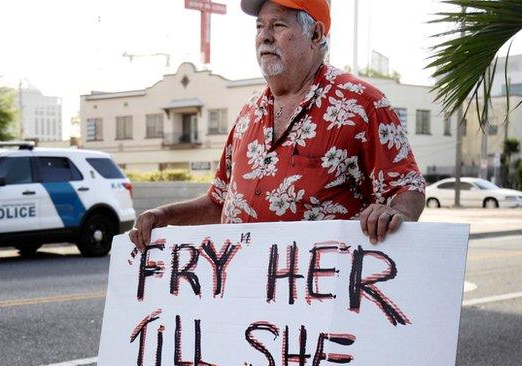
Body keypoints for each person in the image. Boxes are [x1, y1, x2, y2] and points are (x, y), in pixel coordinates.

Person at [130, 0, 426, 251]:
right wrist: (164, 215)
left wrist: (396, 211)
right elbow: (218, 202)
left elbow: (407, 187)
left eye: (279, 25)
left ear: (315, 33)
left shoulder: (363, 103)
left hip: (319, 297)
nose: (265, 37)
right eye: (260, 26)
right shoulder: (248, 113)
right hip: (246, 295)